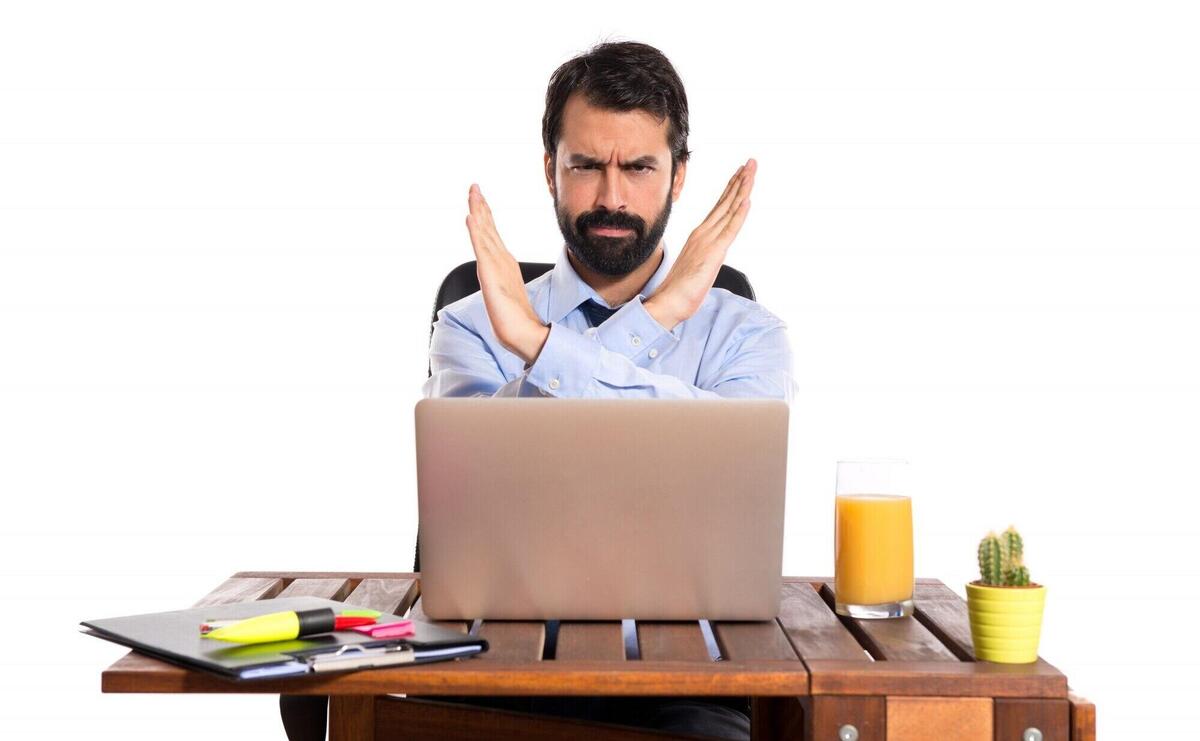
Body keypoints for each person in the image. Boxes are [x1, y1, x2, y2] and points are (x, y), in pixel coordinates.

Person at [419, 41, 797, 741]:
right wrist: (655, 317)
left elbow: (724, 481)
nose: (611, 197)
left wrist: (539, 347)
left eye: (640, 167)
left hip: (691, 686)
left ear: (680, 175)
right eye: (586, 166)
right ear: (549, 170)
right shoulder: (471, 324)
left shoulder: (748, 335)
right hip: (493, 675)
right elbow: (478, 491)